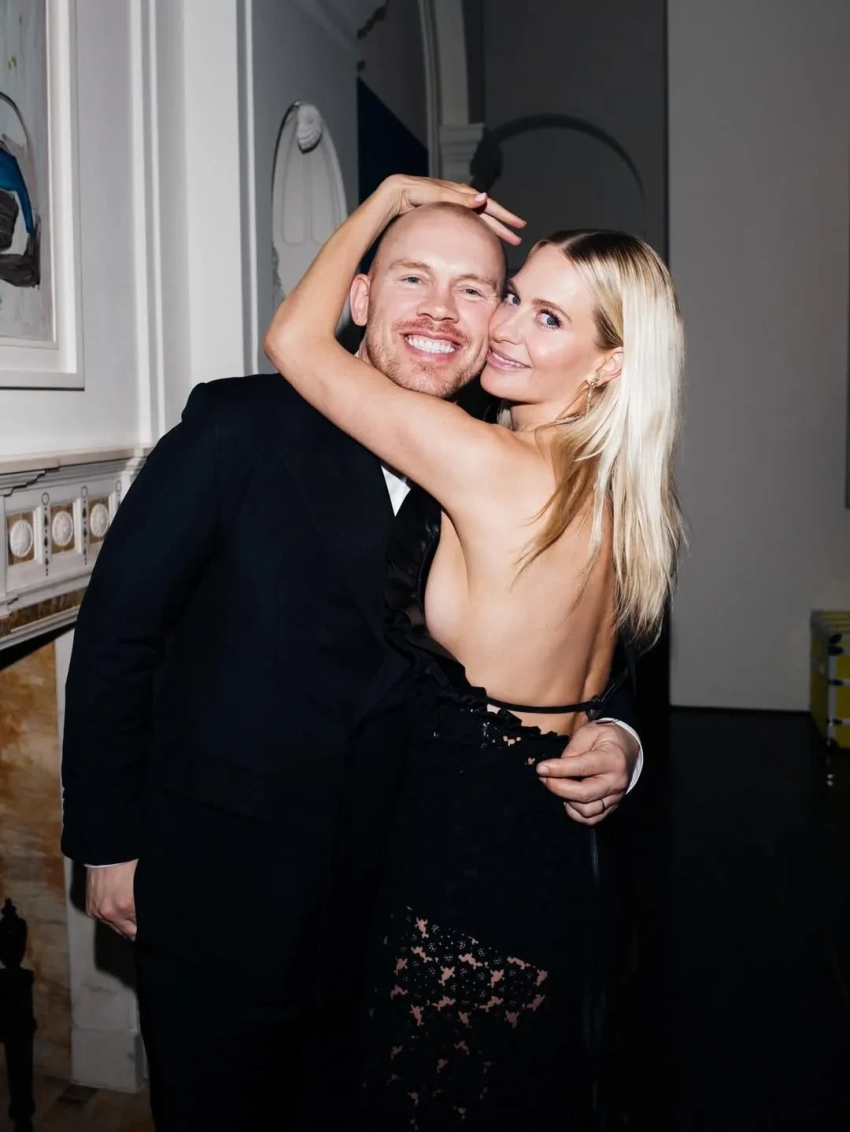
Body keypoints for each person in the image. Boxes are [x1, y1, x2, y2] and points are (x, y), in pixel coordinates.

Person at [61, 188, 643, 1132]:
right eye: (413, 279)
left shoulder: (505, 452)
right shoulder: (238, 427)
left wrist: (617, 731)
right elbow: (118, 634)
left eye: (476, 290)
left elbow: (597, 632)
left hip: (398, 903)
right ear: (360, 297)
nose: (442, 311)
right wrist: (107, 840)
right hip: (223, 890)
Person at [264, 174, 683, 1129]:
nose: (503, 328)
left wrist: (387, 201)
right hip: (554, 857)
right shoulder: (618, 494)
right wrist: (619, 738)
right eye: (515, 297)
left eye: (548, 319)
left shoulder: (492, 464)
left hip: (464, 862)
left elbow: (294, 340)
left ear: (608, 365)